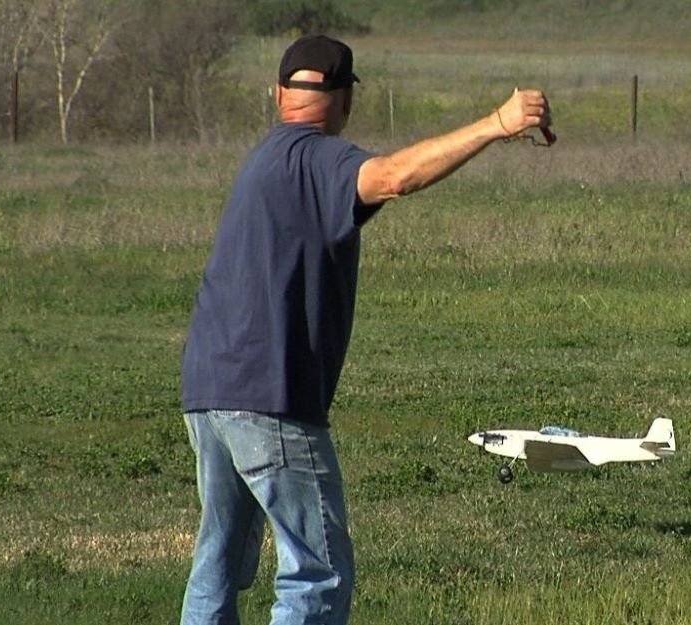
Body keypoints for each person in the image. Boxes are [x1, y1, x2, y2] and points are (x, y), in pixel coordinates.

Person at [178, 34, 552, 625]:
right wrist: (495, 124)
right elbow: (393, 177)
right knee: (315, 575)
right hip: (271, 398)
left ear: (279, 95)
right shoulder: (316, 158)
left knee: (217, 564)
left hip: (209, 397)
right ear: (347, 100)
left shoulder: (265, 160)